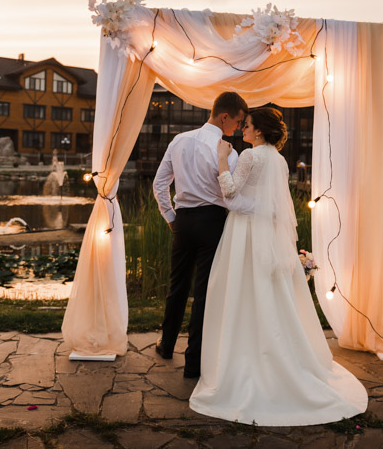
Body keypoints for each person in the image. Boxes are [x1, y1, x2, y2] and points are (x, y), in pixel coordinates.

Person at [189, 107, 368, 426]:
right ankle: (281, 354)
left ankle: (244, 360)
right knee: (271, 294)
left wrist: (221, 158)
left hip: (245, 234)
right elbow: (275, 205)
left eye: (247, 126)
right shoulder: (279, 159)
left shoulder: (250, 156)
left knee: (242, 292)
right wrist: (262, 210)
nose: (243, 129)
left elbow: (229, 195)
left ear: (258, 131)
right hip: (270, 235)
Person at [152, 92, 250, 379]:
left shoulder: (179, 140)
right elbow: (229, 190)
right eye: (238, 121)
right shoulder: (227, 152)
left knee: (177, 286)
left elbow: (160, 184)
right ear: (225, 117)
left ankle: (167, 345)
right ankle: (193, 362)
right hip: (213, 222)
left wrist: (171, 217)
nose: (238, 127)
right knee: (204, 292)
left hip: (183, 220)